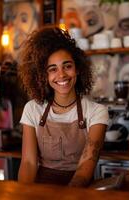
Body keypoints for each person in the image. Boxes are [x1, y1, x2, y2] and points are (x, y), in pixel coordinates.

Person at [17, 26, 109, 187]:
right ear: (43, 76)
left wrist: (66, 196)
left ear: (78, 68)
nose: (61, 75)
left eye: (67, 66)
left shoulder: (96, 112)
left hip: (78, 192)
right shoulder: (32, 109)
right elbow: (29, 163)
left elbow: (85, 167)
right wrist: (24, 194)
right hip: (41, 192)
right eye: (52, 69)